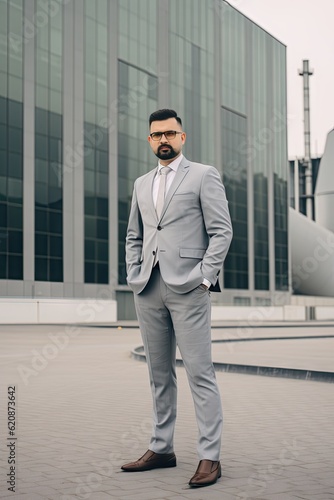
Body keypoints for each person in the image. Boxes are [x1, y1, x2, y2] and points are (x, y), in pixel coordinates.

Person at [122, 109, 233, 487]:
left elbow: (221, 231)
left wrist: (205, 278)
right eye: (156, 135)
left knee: (200, 374)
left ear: (183, 137)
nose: (163, 140)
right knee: (158, 375)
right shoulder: (141, 183)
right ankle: (162, 447)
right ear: (149, 140)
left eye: (170, 133)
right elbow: (134, 235)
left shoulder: (203, 175)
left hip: (189, 287)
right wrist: (133, 272)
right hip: (147, 287)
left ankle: (210, 456)